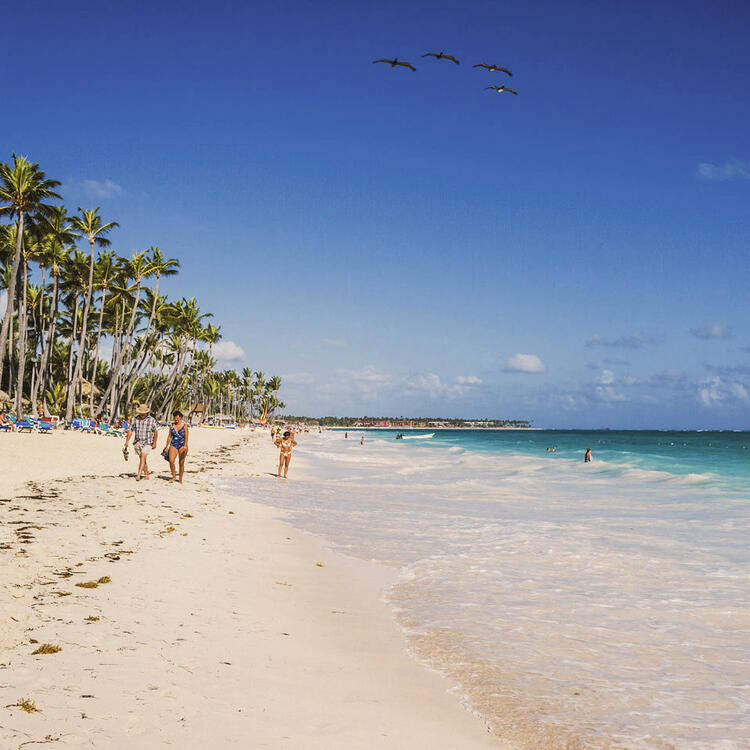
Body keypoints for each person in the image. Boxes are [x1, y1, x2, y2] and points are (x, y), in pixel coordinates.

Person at [125, 404, 159, 481]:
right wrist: (127, 441)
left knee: (143, 457)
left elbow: (155, 432)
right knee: (142, 459)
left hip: (148, 442)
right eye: (141, 413)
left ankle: (139, 474)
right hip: (138, 442)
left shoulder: (152, 420)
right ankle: (146, 474)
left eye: (144, 413)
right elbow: (130, 431)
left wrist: (154, 443)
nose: (142, 415)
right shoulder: (134, 419)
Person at [164, 410, 189, 483]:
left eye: (177, 418)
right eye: (175, 418)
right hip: (173, 444)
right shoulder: (171, 425)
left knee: (181, 462)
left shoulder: (185, 426)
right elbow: (169, 436)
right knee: (171, 461)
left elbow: (186, 437)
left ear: (180, 418)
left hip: (182, 445)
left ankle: (180, 478)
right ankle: (174, 476)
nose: (176, 419)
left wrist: (185, 446)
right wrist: (166, 446)